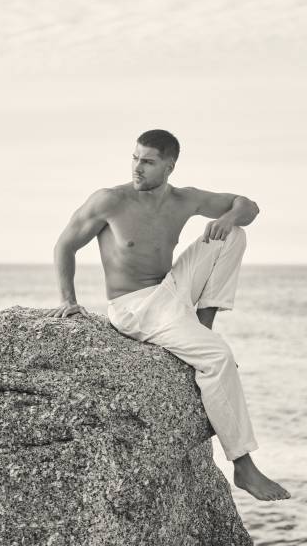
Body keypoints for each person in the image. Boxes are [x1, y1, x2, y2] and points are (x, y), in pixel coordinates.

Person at [47, 129, 290, 501]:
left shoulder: (182, 199)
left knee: (234, 234)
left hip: (171, 289)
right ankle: (243, 465)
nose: (137, 168)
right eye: (134, 158)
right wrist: (68, 299)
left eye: (147, 162)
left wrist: (228, 218)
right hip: (136, 307)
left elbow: (248, 206)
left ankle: (203, 326)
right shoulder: (110, 200)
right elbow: (65, 244)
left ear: (169, 166)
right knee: (217, 357)